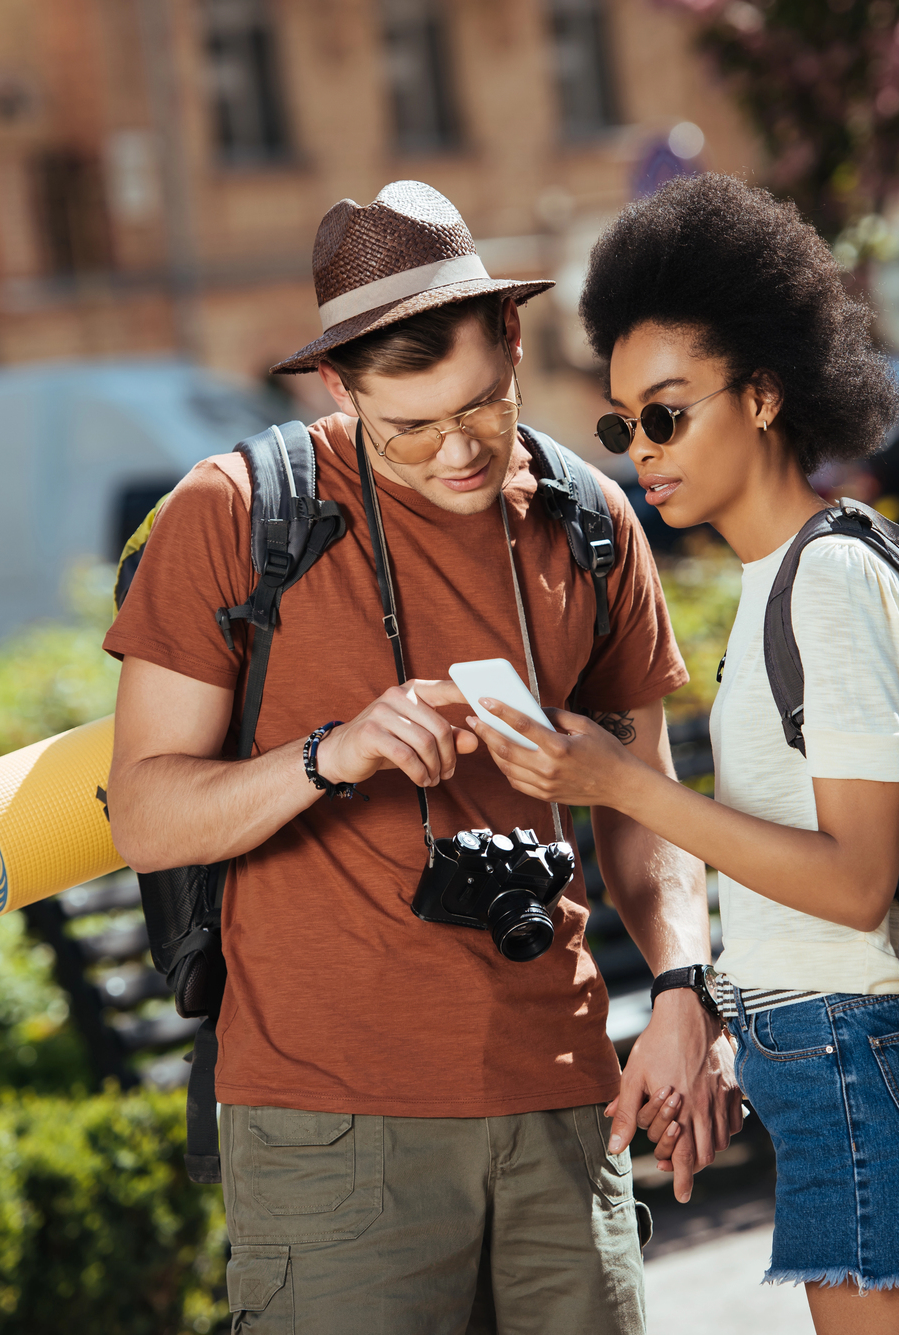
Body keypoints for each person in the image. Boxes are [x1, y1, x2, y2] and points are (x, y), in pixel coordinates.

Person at [103, 180, 741, 1334]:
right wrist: (330, 755)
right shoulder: (235, 514)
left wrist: (687, 991)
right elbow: (144, 815)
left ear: (509, 340)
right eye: (408, 428)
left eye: (482, 409)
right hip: (330, 1130)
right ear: (339, 386)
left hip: (563, 1106)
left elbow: (645, 808)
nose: (456, 451)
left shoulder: (589, 521)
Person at [471, 173, 899, 1335]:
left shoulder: (827, 582)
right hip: (828, 1057)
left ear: (762, 394)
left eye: (666, 414)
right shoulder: (791, 575)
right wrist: (717, 1013)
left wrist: (617, 785)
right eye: (621, 426)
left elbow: (852, 879)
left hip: (863, 1057)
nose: (640, 450)